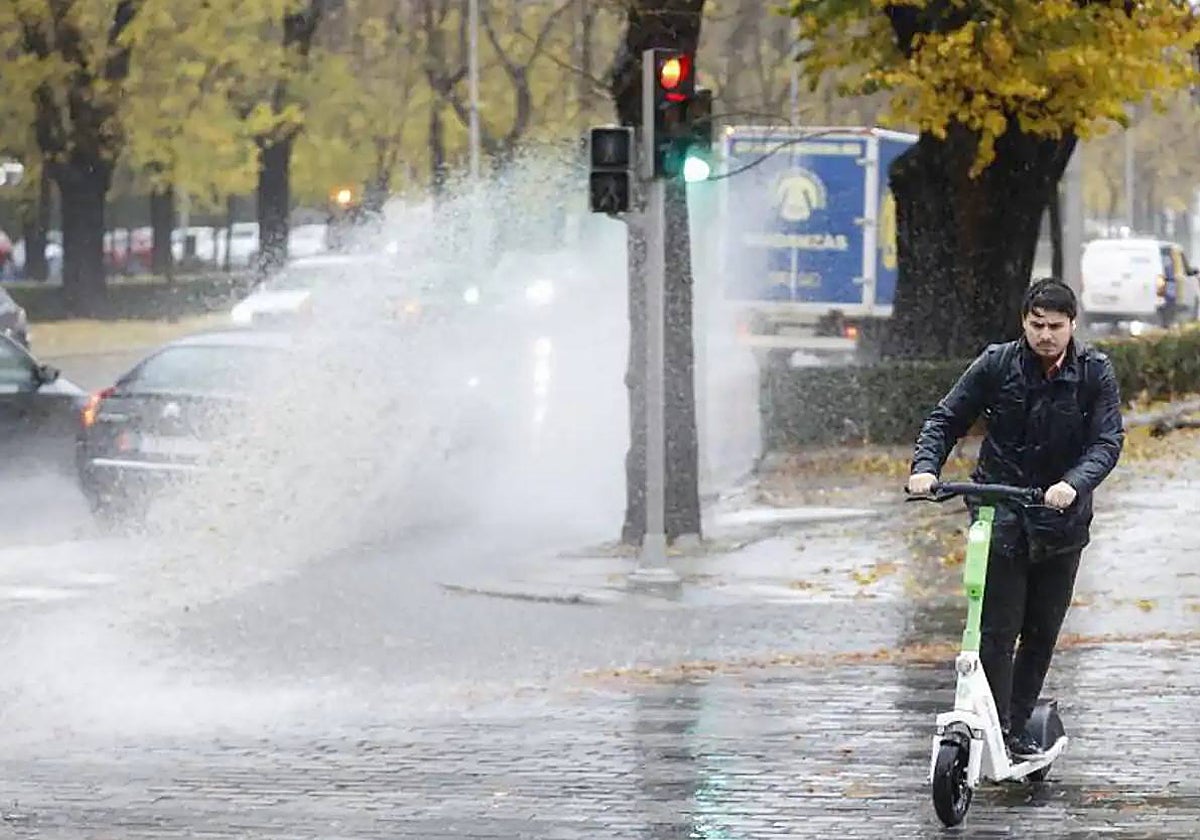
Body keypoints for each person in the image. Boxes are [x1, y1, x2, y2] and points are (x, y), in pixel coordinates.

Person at [906, 277, 1124, 760]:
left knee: (1041, 631)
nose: (1045, 335)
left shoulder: (1095, 373)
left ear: (1072, 325)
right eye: (1036, 325)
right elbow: (947, 418)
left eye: (1055, 326)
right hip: (1000, 512)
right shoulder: (997, 363)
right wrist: (925, 467)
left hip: (1062, 522)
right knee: (997, 629)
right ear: (1024, 322)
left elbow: (1107, 442)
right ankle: (994, 722)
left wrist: (1073, 483)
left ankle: (1017, 723)